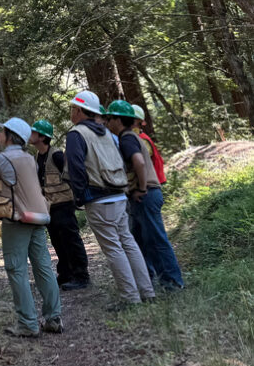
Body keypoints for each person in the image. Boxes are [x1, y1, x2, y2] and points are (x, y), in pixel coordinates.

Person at [64, 90, 156, 307]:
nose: (71, 112)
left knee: (114, 248)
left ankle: (130, 298)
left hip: (97, 198)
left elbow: (76, 168)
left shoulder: (76, 134)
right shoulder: (108, 133)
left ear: (78, 110)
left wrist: (78, 197)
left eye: (72, 108)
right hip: (119, 195)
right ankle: (147, 292)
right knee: (129, 243)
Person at [0, 117, 62, 337]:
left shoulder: (1, 159)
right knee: (43, 266)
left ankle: (28, 323)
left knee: (16, 268)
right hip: (40, 216)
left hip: (17, 219)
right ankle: (53, 318)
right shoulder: (29, 159)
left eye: (2, 132)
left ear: (9, 136)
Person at [103, 100, 184, 291]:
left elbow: (138, 162)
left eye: (109, 119)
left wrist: (141, 187)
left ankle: (173, 281)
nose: (107, 123)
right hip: (144, 196)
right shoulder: (131, 136)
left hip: (146, 195)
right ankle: (150, 280)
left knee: (156, 239)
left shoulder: (127, 138)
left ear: (118, 120)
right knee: (141, 241)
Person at [29, 119, 91, 290]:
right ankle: (65, 274)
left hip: (64, 206)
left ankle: (81, 276)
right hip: (50, 208)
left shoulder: (56, 155)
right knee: (58, 242)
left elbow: (71, 176)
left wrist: (77, 199)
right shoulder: (37, 157)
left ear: (42, 137)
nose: (30, 135)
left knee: (71, 240)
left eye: (34, 132)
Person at [131, 105, 166, 184]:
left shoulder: (142, 139)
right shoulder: (139, 136)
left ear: (139, 121)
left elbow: (142, 162)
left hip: (153, 181)